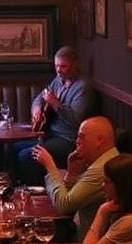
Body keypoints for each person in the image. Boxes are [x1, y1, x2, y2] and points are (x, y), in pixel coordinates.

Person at [31, 116, 118, 239]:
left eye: (82, 137)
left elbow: (64, 206)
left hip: (87, 239)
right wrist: (72, 173)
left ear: (99, 141)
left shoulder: (101, 169)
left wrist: (50, 166)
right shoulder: (106, 160)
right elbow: (69, 200)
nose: (77, 141)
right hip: (76, 230)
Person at [17, 46, 95, 179]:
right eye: (56, 66)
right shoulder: (59, 80)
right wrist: (36, 109)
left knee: (25, 155)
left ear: (75, 65)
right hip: (50, 134)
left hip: (68, 140)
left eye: (63, 66)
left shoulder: (83, 87)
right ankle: (19, 188)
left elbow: (75, 120)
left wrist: (55, 103)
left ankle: (35, 191)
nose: (59, 70)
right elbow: (39, 98)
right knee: (14, 148)